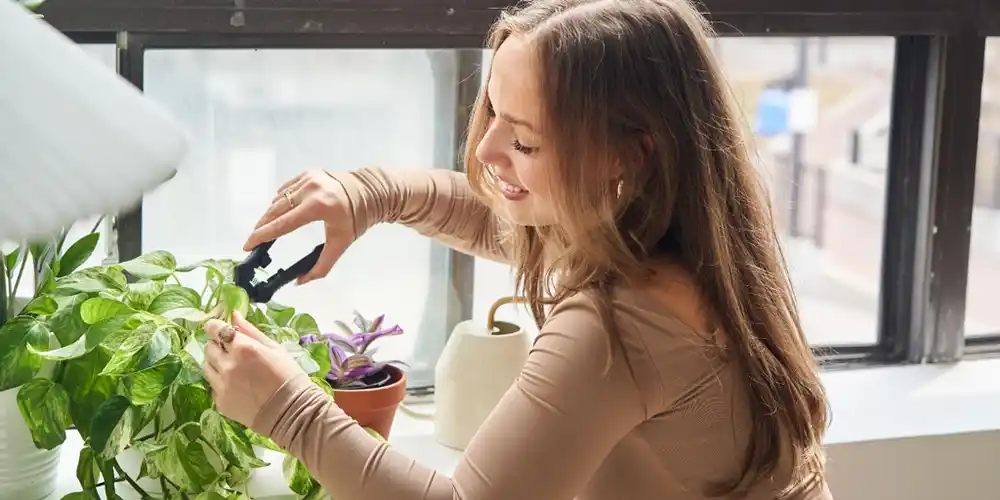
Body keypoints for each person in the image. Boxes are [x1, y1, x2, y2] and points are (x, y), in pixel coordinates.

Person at [201, 0, 834, 499]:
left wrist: (289, 410)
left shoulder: (618, 328)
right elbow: (502, 219)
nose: (484, 151)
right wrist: (369, 193)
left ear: (628, 155)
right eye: (494, 114)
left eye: (525, 144)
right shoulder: (707, 246)